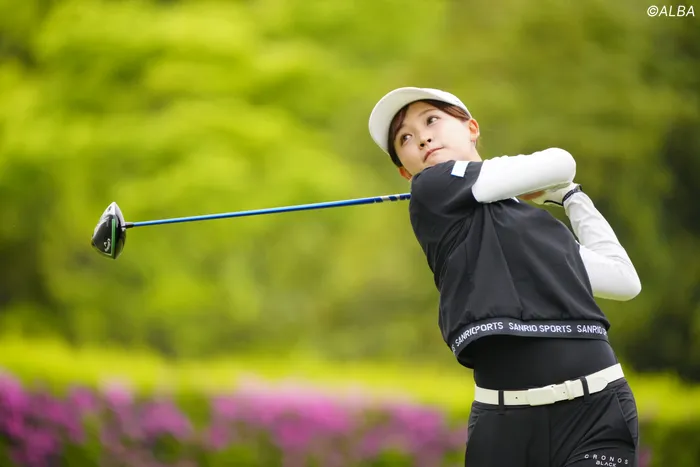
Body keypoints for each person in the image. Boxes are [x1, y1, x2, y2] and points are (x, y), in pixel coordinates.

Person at [368, 87, 643, 467]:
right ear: (405, 171)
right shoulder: (432, 187)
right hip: (505, 426)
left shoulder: (538, 226)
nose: (423, 138)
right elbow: (561, 161)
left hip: (597, 411)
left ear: (471, 128)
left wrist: (571, 197)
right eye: (405, 138)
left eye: (431, 120)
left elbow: (624, 281)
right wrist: (547, 182)